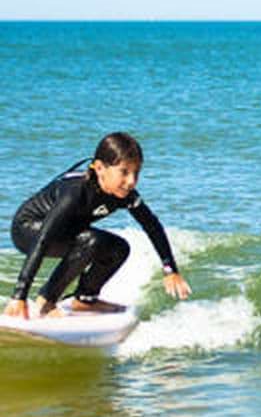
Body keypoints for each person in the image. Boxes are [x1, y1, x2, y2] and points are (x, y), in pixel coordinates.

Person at [3, 132, 191, 319]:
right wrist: (19, 295)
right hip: (28, 229)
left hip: (65, 231)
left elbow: (153, 227)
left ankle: (85, 299)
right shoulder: (76, 193)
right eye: (124, 172)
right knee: (92, 241)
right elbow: (43, 239)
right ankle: (46, 300)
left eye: (136, 172)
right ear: (100, 168)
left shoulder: (126, 195)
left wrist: (170, 270)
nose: (131, 181)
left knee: (118, 248)